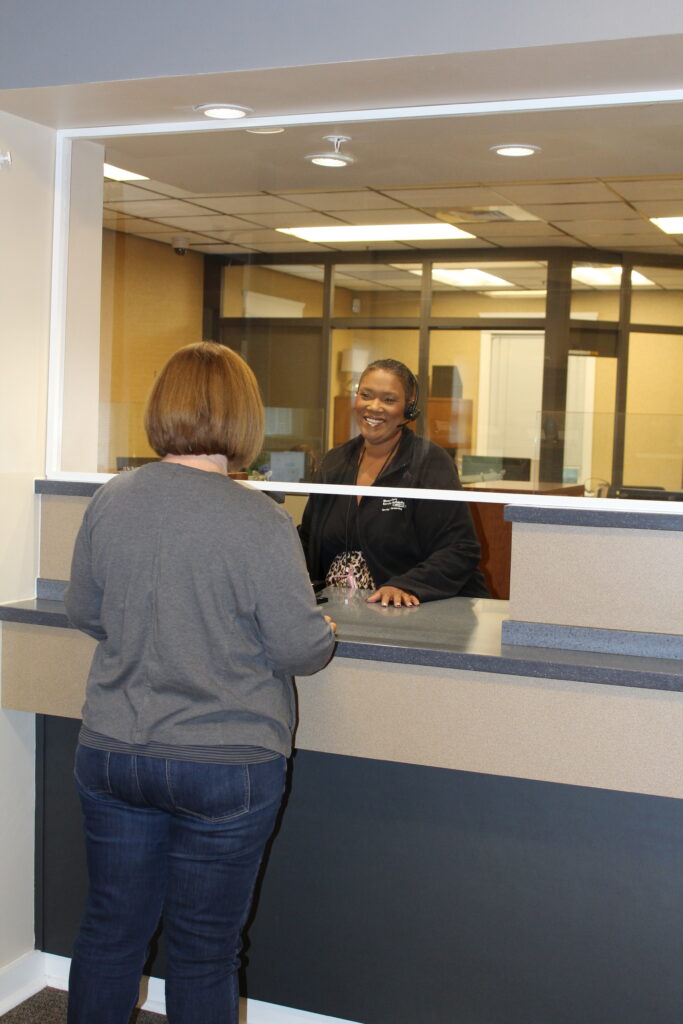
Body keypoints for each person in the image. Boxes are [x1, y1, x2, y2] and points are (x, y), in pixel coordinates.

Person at [64, 342, 336, 1024]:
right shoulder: (260, 519)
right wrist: (323, 630)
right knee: (203, 950)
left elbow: (85, 611)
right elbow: (299, 649)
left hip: (113, 751)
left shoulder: (111, 499)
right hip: (225, 766)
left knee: (108, 933)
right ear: (245, 420)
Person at [299, 358, 488, 607]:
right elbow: (309, 538)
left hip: (413, 612)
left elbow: (460, 548)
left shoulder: (430, 462)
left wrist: (405, 585)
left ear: (409, 408)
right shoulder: (335, 462)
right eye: (366, 395)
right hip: (340, 611)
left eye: (388, 400)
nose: (374, 407)